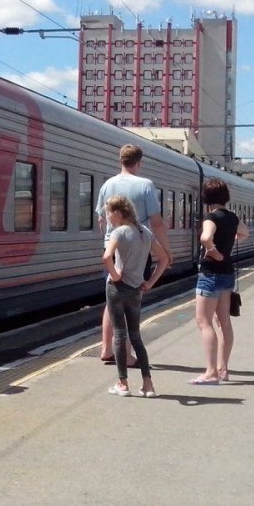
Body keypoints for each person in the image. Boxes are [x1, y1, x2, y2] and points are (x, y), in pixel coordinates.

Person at [95, 144, 172, 365]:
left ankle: (106, 349)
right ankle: (127, 356)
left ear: (121, 160)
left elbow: (101, 219)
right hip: (137, 246)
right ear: (138, 162)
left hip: (112, 245)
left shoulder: (107, 185)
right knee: (130, 299)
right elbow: (156, 223)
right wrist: (166, 250)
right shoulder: (145, 185)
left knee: (112, 298)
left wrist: (109, 239)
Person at [102, 195, 169, 397]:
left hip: (117, 289)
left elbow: (106, 257)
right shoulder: (144, 232)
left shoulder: (119, 232)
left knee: (120, 335)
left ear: (118, 212)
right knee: (136, 336)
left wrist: (115, 276)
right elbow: (164, 258)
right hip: (136, 290)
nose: (108, 218)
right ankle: (148, 385)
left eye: (108, 214)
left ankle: (122, 384)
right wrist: (149, 283)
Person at [193, 178, 248, 385]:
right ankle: (223, 369)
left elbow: (205, 238)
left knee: (203, 321)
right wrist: (227, 244)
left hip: (210, 274)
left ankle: (210, 373)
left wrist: (213, 252)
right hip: (227, 275)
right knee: (223, 321)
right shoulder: (233, 218)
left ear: (206, 197)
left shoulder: (210, 217)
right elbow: (245, 233)